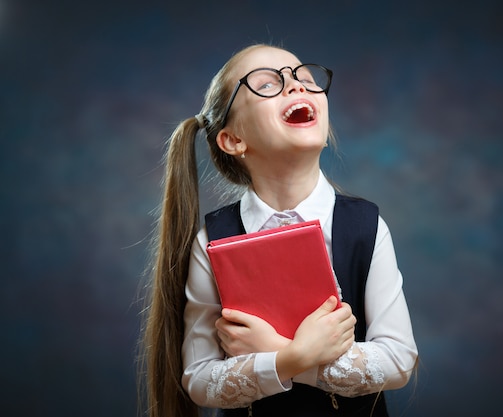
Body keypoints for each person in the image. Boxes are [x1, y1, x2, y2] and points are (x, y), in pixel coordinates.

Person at [140, 44, 418, 417]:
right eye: (268, 84)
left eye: (305, 77)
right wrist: (296, 355)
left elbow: (399, 360)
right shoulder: (212, 242)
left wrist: (278, 352)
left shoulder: (366, 228)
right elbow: (200, 378)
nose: (297, 86)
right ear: (233, 139)